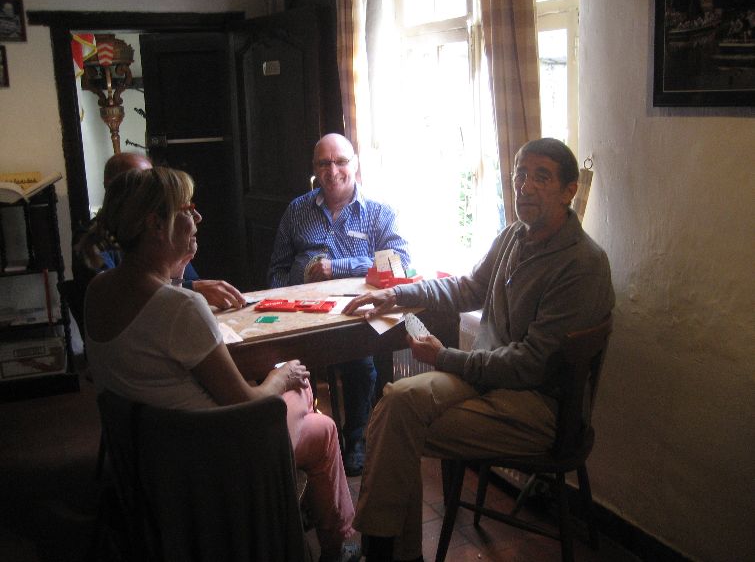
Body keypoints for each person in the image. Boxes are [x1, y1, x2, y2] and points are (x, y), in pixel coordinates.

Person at [342, 138, 615, 562]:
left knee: (394, 427)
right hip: (486, 380)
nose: (525, 186)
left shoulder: (582, 264)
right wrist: (396, 296)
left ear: (569, 191)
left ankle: (387, 552)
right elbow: (467, 286)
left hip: (540, 408)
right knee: (397, 400)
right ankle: (394, 552)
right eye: (520, 174)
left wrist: (446, 358)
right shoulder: (512, 236)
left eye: (541, 177)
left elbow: (530, 364)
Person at [82, 167, 359, 562]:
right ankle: (333, 541)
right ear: (155, 225)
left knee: (316, 422)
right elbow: (247, 401)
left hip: (152, 456)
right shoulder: (179, 307)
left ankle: (313, 525)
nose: (198, 219)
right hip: (212, 458)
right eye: (186, 210)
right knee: (313, 410)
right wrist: (281, 377)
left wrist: (179, 271)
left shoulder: (99, 289)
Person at [268, 133, 411, 476]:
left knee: (361, 365)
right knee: (281, 367)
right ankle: (301, 438)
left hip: (353, 313)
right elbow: (277, 268)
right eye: (324, 163)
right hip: (300, 312)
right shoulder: (297, 209)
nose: (333, 170)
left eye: (341, 161)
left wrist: (341, 266)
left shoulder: (379, 213)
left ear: (355, 164)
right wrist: (280, 304)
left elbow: (400, 262)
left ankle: (356, 438)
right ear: (314, 168)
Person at [78, 152, 246, 311]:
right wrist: (192, 290)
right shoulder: (98, 240)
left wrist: (181, 269)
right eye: (142, 183)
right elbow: (123, 297)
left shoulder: (166, 245)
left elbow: (182, 283)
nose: (154, 186)